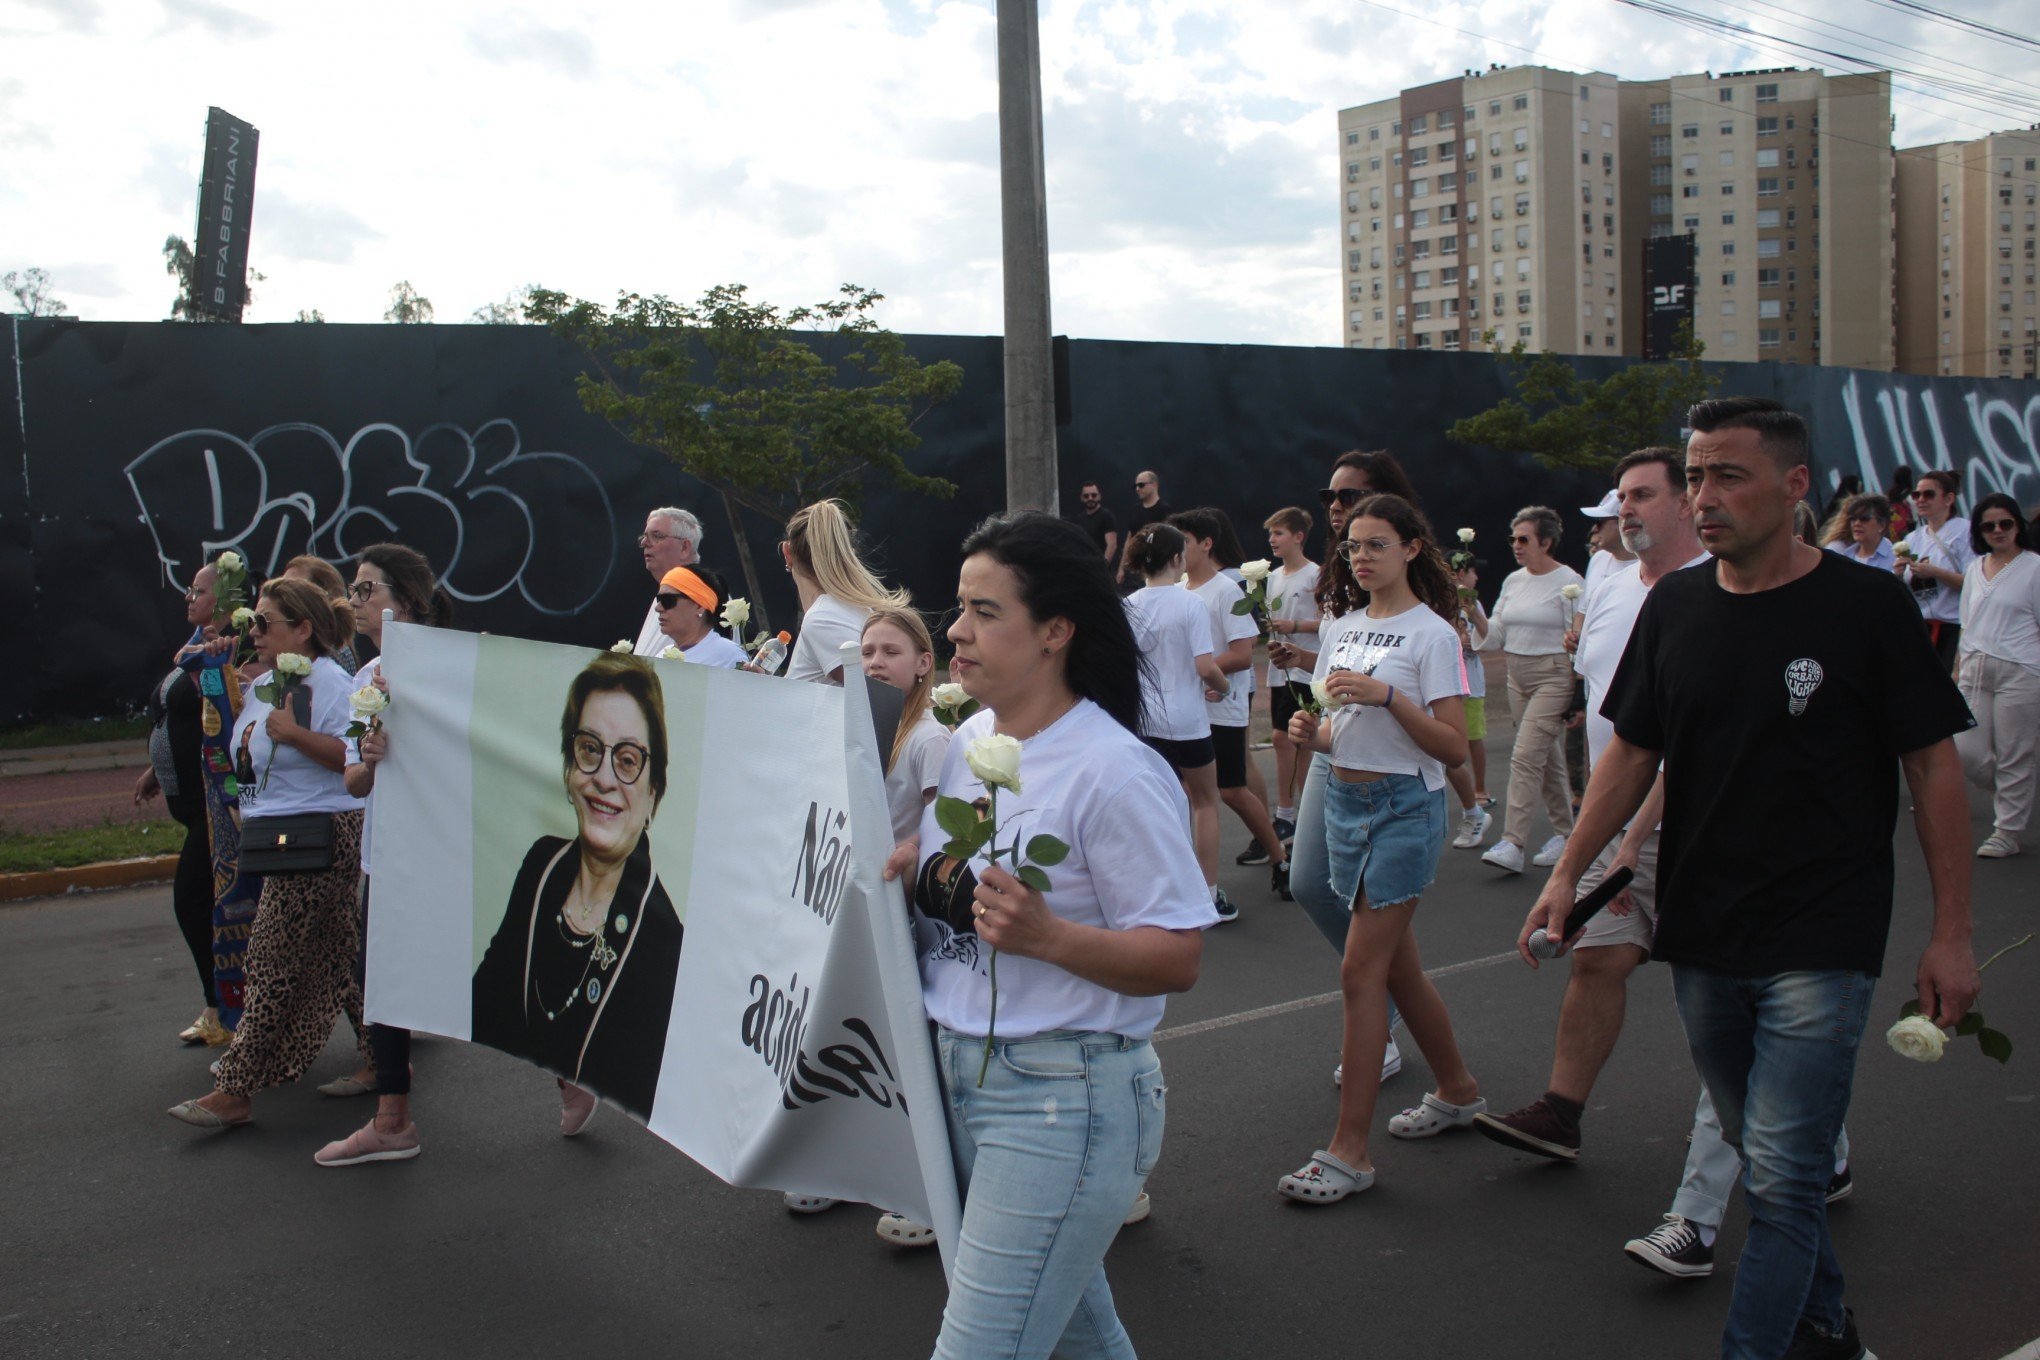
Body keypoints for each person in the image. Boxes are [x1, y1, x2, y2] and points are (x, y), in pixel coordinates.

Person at [1525, 397, 1978, 1360]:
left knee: (1782, 1175)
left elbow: (1933, 768)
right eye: (1696, 475)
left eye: (1728, 475)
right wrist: (1571, 871)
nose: (1705, 496)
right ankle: (1831, 1331)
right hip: (1702, 929)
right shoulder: (1676, 606)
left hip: (1826, 931)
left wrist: (1951, 933)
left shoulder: (1867, 606)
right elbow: (1632, 752)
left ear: (1794, 484)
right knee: (1772, 1166)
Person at [889, 510, 1212, 1357]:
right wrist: (905, 861)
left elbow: (1178, 957)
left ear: (1056, 632)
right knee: (1077, 1341)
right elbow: (954, 881)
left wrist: (1050, 937)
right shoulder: (970, 742)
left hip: (1062, 1103)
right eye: (959, 608)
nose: (955, 631)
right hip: (958, 1081)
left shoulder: (1114, 771)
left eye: (985, 612)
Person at [1472, 448, 1708, 1161]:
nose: (1625, 511)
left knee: (1728, 994)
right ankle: (1561, 1112)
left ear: (1686, 504)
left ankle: (1817, 1146)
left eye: (1642, 495)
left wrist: (1637, 832)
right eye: (1621, 498)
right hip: (1617, 819)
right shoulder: (1609, 579)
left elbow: (1690, 736)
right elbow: (1606, 699)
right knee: (1599, 961)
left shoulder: (1719, 590)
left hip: (1695, 822)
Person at [1275, 492, 1481, 1204]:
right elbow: (1342, 733)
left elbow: (1453, 747)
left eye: (1377, 545)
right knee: (1398, 971)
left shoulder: (1434, 636)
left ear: (1412, 549)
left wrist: (1389, 699)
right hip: (1344, 804)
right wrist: (1313, 735)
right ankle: (1458, 1090)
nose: (1361, 557)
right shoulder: (1343, 627)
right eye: (1354, 547)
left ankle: (1349, 1152)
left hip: (1403, 810)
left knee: (1362, 975)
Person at [168, 578, 371, 1130]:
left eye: (265, 623)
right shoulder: (269, 683)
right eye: (252, 622)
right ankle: (383, 1056)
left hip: (320, 834)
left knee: (269, 959)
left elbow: (352, 761)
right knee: (339, 950)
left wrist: (295, 734)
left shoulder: (332, 683)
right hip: (278, 833)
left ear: (303, 630)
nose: (252, 631)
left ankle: (235, 1090)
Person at [471, 652, 683, 1124]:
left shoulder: (664, 939)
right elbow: (485, 1003)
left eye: (628, 760)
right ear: (570, 770)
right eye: (590, 749)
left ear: (654, 794)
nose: (604, 778)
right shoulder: (542, 864)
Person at [1264, 449, 1422, 1082]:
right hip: (1336, 746)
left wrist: (1383, 693)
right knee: (1310, 884)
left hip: (1391, 772)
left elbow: (1433, 665)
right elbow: (1338, 666)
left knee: (1371, 919)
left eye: (1350, 496)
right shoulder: (1337, 572)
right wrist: (1306, 667)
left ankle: (1379, 1031)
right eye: (1332, 496)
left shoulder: (1405, 580)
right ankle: (1400, 1010)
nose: (1335, 506)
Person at [314, 543, 454, 1166]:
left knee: (485, 973)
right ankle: (393, 1120)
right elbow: (351, 783)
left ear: (405, 599)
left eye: (365, 588)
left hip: (452, 849)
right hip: (389, 859)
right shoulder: (364, 682)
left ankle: (565, 1073)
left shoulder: (458, 664)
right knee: (383, 984)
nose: (353, 600)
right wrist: (367, 760)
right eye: (352, 588)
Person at [134, 560, 232, 1045]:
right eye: (190, 590)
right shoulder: (197, 645)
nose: (188, 597)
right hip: (188, 800)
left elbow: (222, 715)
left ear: (225, 598)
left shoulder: (228, 650)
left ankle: (222, 1008)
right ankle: (224, 1006)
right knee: (204, 903)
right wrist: (159, 765)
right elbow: (183, 719)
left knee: (191, 899)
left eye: (198, 590)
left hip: (213, 806)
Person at [1173, 508, 1290, 900]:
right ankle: (1195, 882)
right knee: (1188, 792)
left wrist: (1198, 671)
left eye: (1184, 542)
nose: (1178, 550)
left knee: (1232, 791)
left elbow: (1242, 653)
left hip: (1223, 708)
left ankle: (1279, 858)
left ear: (1206, 544)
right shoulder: (1177, 590)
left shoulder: (1225, 590)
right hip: (1187, 713)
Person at [1122, 522, 1234, 920]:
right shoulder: (1190, 603)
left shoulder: (1129, 604)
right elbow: (1205, 666)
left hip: (1144, 722)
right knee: (1205, 802)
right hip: (1187, 722)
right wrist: (1224, 688)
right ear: (1176, 559)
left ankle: (1163, 891)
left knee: (1160, 805)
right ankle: (1208, 894)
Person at [1470, 506, 1583, 874]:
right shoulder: (1514, 581)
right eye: (1512, 538)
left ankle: (1513, 842)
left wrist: (1577, 691)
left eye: (1524, 539)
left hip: (1553, 674)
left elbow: (1578, 640)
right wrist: (1473, 614)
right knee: (1546, 758)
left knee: (1525, 755)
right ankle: (1569, 836)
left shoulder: (1571, 582)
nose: (1516, 546)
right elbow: (1496, 633)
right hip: (1516, 675)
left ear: (1546, 542)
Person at [1955, 491, 2040, 859]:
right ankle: (2014, 794)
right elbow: (1965, 623)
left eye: (2005, 523)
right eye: (1989, 526)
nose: (1998, 530)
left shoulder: (2035, 567)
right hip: (1974, 669)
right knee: (1967, 752)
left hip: (2020, 670)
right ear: (1980, 531)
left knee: (2015, 754)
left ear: (2018, 525)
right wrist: (1958, 668)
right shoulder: (1975, 568)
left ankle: (2007, 830)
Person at [782, 499, 908, 684]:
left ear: (787, 553)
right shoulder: (851, 610)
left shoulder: (821, 618)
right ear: (847, 552)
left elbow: (873, 695)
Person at [860, 608, 950, 845]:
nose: (875, 663)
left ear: (923, 663)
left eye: (891, 652)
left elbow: (942, 829)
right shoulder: (861, 730)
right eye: (867, 653)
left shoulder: (930, 737)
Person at [1263, 506, 1320, 841]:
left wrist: (1295, 625)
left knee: (1297, 741)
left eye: (1279, 532)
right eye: (1271, 533)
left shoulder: (1315, 575)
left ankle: (1304, 812)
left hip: (1305, 671)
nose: (1272, 539)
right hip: (1279, 669)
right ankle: (1287, 812)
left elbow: (1330, 623)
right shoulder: (1271, 578)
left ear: (1298, 537)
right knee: (1282, 739)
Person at [1897, 468, 1975, 673]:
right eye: (1916, 495)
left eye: (1929, 494)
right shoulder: (1912, 538)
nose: (1920, 500)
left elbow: (1975, 583)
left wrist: (1936, 572)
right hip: (1922, 628)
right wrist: (1897, 573)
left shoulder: (1964, 531)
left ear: (1948, 499)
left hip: (1954, 627)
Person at [1445, 558, 1494, 850]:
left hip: (1470, 685)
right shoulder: (1439, 602)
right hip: (1445, 684)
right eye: (1473, 571)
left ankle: (1480, 791)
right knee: (1443, 753)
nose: (1474, 577)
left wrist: (1468, 636)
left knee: (1472, 739)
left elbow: (1486, 636)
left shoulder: (1471, 603)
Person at [632, 507, 705, 656]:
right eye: (644, 536)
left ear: (684, 547)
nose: (645, 542)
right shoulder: (665, 591)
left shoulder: (706, 596)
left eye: (657, 536)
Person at [655, 565, 747, 668]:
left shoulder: (729, 656)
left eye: (667, 600)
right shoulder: (660, 656)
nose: (658, 608)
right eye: (658, 599)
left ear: (699, 606)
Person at [283, 555, 362, 672]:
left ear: (322, 594)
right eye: (282, 585)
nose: (281, 594)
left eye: (294, 587)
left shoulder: (332, 651)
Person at [1118, 470, 1173, 591]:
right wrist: (1121, 568)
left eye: (1141, 485)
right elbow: (1129, 540)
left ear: (1154, 485)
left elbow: (1168, 541)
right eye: (1135, 486)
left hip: (1154, 569)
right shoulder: (1135, 510)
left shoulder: (1164, 510)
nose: (1137, 489)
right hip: (1135, 569)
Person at [1579, 490, 1633, 597]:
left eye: (1599, 522)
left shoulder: (1647, 567)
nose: (1595, 528)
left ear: (1622, 522)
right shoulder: (1598, 558)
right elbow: (1583, 611)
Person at [1821, 494, 1896, 570]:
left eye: (1864, 519)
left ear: (1882, 525)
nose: (1857, 523)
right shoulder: (1844, 556)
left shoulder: (1895, 558)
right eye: (1853, 519)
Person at [1071, 480, 1119, 569]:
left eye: (1094, 495)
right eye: (1086, 496)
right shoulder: (1079, 519)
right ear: (1081, 498)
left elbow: (1112, 545)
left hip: (1101, 571)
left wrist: (1103, 567)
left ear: (1099, 496)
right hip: (1085, 568)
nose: (1090, 498)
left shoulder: (1106, 516)